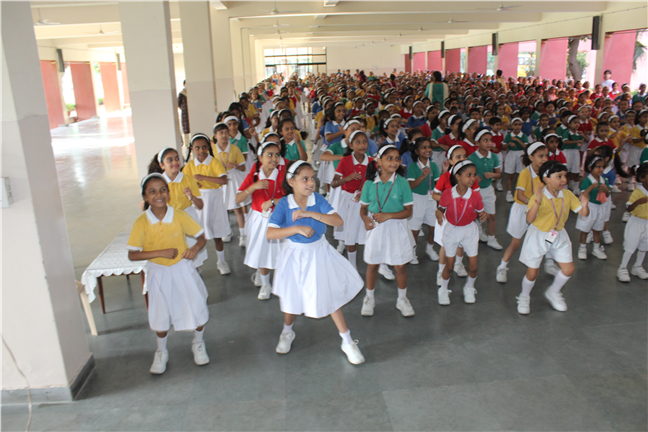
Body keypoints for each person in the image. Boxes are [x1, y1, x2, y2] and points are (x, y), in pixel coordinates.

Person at [267, 161, 365, 364]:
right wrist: (296, 228)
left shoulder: (317, 199)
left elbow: (338, 221)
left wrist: (311, 214)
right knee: (292, 297)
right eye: (305, 179)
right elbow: (270, 232)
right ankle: (287, 331)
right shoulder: (284, 204)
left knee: (329, 294)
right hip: (293, 255)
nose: (311, 182)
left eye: (312, 178)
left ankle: (347, 341)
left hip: (318, 253)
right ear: (291, 181)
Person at [128, 173, 209, 375]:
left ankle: (198, 342)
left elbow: (201, 237)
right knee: (160, 313)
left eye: (162, 190)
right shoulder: (141, 222)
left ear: (169, 192)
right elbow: (133, 254)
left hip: (182, 268)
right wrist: (160, 253)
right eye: (152, 191)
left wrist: (194, 249)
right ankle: (161, 351)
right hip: (158, 272)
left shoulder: (179, 215)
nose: (159, 195)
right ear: (145, 197)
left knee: (196, 305)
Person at [516, 161, 590, 314]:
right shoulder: (539, 196)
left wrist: (585, 205)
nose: (564, 180)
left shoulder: (567, 194)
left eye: (565, 176)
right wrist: (537, 202)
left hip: (558, 234)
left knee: (568, 269)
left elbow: (583, 213)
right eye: (559, 176)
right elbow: (529, 219)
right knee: (532, 273)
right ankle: (524, 296)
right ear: (546, 179)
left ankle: (554, 291)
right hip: (538, 235)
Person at [359, 145, 416, 317]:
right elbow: (363, 209)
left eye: (397, 159)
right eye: (389, 158)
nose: (394, 162)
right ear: (379, 161)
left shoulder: (402, 183)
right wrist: (365, 218)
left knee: (400, 266)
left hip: (397, 226)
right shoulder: (369, 183)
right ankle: (369, 298)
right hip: (376, 227)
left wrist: (389, 215)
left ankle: (402, 299)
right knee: (373, 264)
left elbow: (408, 212)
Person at [236, 142, 286, 300]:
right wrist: (254, 187)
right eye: (269, 155)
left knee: (282, 252)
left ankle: (282, 283)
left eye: (277, 155)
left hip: (280, 219)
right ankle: (266, 284)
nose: (274, 158)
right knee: (263, 252)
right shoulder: (254, 176)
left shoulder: (284, 175)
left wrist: (273, 201)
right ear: (260, 158)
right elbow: (238, 198)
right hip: (259, 218)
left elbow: (293, 198)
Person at [436, 160, 487, 304]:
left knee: (473, 266)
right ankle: (443, 289)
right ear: (457, 176)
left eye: (474, 175)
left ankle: (469, 287)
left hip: (469, 230)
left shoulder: (476, 196)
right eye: (468, 175)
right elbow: (441, 208)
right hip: (452, 230)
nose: (473, 178)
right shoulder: (447, 194)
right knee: (449, 265)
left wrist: (484, 215)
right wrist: (438, 212)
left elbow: (481, 212)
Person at [496, 142, 548, 283]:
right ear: (531, 157)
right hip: (522, 210)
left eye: (546, 156)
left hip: (537, 210)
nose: (544, 159)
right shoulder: (525, 173)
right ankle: (502, 267)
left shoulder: (545, 173)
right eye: (541, 156)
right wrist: (533, 204)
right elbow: (519, 195)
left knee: (545, 238)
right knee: (515, 244)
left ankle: (549, 263)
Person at [148, 147, 208, 268]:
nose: (175, 162)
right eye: (169, 160)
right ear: (162, 165)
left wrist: (192, 197)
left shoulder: (188, 179)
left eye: (176, 159)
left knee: (192, 256)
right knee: (174, 256)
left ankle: (194, 274)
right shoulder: (158, 183)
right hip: (168, 220)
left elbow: (200, 205)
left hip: (188, 218)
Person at [182, 133, 231, 274]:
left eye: (204, 147)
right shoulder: (189, 166)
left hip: (214, 199)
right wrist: (193, 184)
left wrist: (203, 178)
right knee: (196, 234)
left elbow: (223, 180)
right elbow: (184, 182)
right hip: (197, 201)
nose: (201, 151)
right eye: (197, 148)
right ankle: (195, 265)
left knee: (217, 232)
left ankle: (221, 261)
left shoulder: (214, 162)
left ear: (209, 147)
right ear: (192, 149)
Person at [330, 130, 372, 269]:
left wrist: (364, 192)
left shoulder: (371, 162)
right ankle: (352, 266)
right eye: (358, 142)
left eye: (364, 142)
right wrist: (347, 178)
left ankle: (378, 263)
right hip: (349, 201)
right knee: (350, 234)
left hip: (366, 201)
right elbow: (334, 183)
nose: (362, 145)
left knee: (369, 233)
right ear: (351, 145)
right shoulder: (345, 161)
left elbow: (375, 182)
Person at [212, 122, 248, 247]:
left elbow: (243, 167)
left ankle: (243, 234)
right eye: (221, 133)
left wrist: (235, 165)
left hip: (233, 179)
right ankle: (227, 231)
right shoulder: (212, 150)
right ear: (215, 136)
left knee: (236, 208)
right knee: (223, 209)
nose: (224, 135)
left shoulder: (234, 149)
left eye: (226, 132)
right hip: (219, 180)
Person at [407, 137, 441, 264]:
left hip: (431, 199)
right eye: (424, 147)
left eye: (429, 147)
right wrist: (422, 176)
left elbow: (438, 184)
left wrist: (443, 171)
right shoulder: (413, 167)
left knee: (434, 227)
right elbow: (411, 186)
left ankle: (430, 248)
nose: (428, 150)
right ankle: (412, 251)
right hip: (417, 199)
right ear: (417, 151)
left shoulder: (433, 165)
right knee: (415, 229)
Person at [468, 128, 503, 249]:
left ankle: (492, 239)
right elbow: (466, 176)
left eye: (490, 140)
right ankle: (478, 230)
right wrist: (474, 178)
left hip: (488, 190)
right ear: (477, 143)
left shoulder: (494, 157)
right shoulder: (471, 158)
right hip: (475, 192)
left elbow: (499, 174)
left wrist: (492, 174)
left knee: (491, 215)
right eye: (485, 140)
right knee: (476, 215)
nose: (489, 143)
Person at [617, 163, 648, 281]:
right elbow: (628, 208)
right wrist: (638, 202)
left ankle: (637, 266)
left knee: (644, 246)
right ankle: (622, 268)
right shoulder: (638, 192)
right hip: (636, 223)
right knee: (630, 246)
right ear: (642, 178)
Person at [576, 155, 610, 260]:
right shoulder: (587, 181)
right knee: (585, 229)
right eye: (598, 167)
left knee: (597, 229)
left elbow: (608, 195)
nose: (601, 169)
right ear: (590, 168)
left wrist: (605, 190)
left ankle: (596, 248)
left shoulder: (603, 180)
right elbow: (583, 195)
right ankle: (582, 248)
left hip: (600, 207)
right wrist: (591, 187)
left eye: (602, 167)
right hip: (590, 207)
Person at [504, 118, 529, 203]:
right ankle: (509, 193)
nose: (518, 126)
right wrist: (509, 144)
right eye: (515, 124)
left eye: (519, 124)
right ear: (511, 126)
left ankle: (519, 193)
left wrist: (517, 140)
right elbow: (503, 147)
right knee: (510, 175)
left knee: (520, 175)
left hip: (521, 154)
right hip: (511, 154)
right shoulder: (508, 136)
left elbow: (526, 147)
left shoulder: (523, 135)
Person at [178, 80, 190, 148]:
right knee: (186, 128)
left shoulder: (191, 93)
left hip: (191, 113)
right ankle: (187, 144)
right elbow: (178, 104)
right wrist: (184, 108)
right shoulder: (181, 94)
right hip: (185, 113)